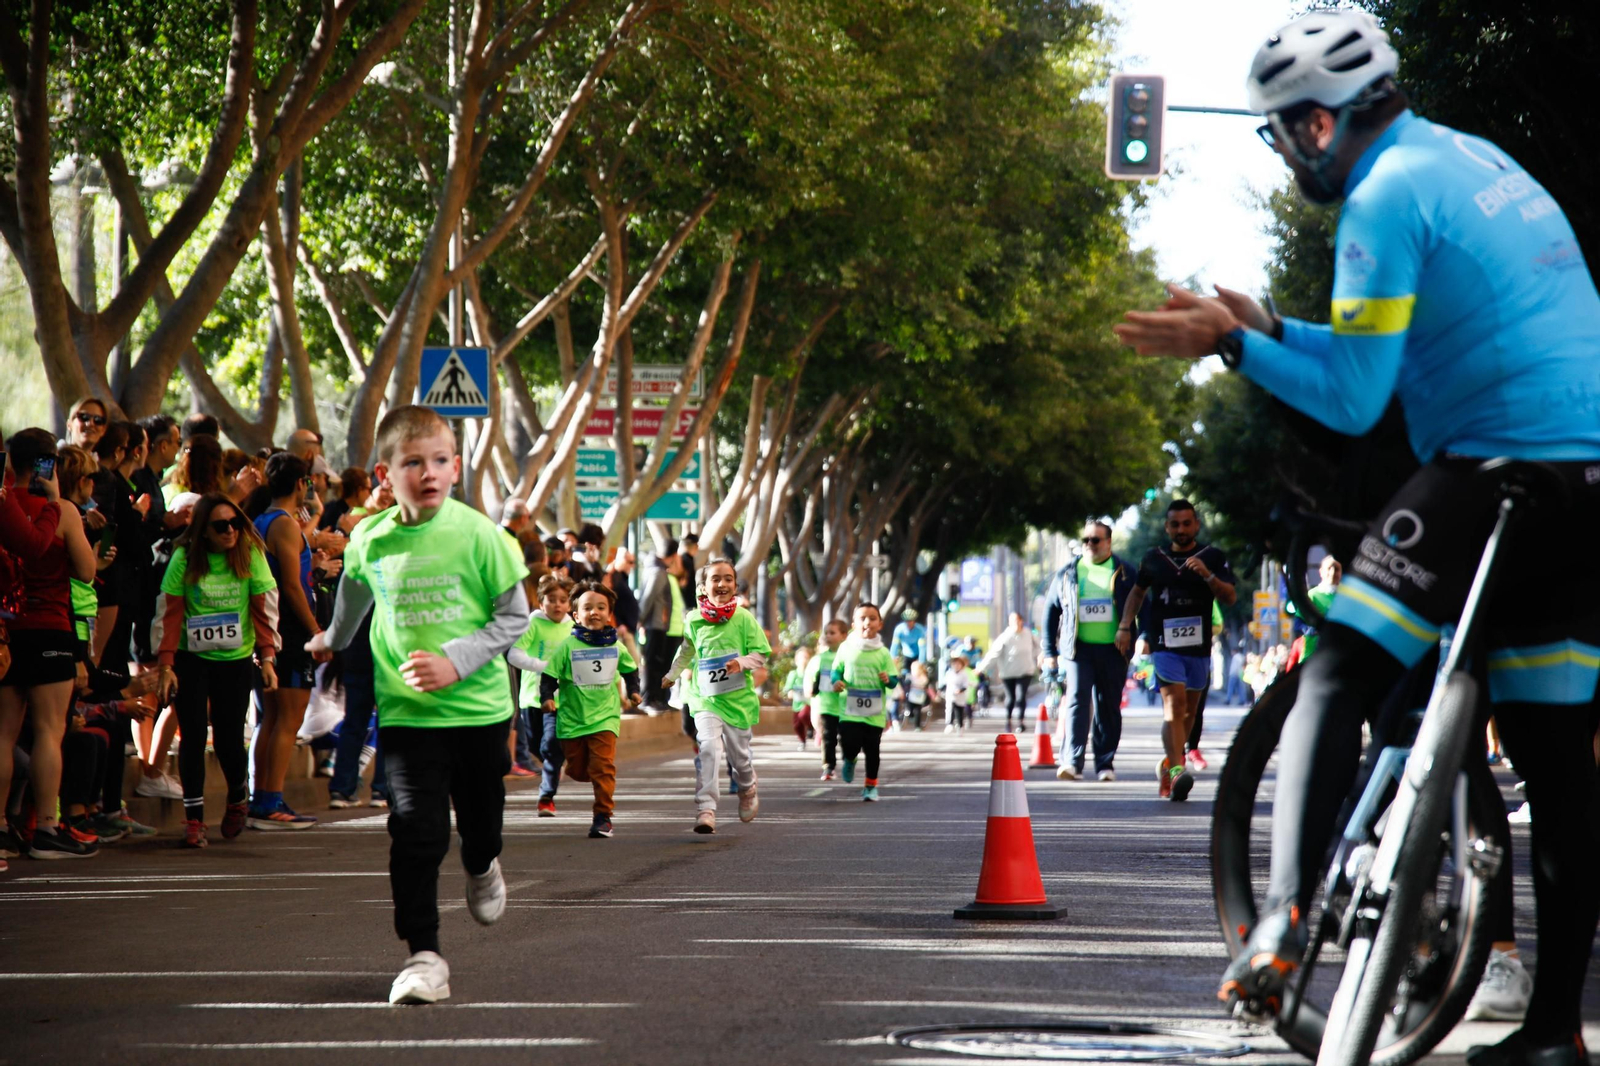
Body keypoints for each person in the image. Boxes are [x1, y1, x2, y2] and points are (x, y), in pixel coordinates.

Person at [1113, 12, 1600, 1061]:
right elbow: (1384, 336)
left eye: (1279, 132)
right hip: (1586, 487)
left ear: (1321, 122)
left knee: (1334, 669)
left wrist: (1234, 347)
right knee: (1559, 774)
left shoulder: (1380, 197)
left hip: (1489, 471)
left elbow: (1350, 399)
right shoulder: (1467, 157)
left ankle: (1282, 926)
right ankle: (1555, 1031)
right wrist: (1278, 324)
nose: (1282, 152)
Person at [308, 404, 530, 1006]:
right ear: (387, 473)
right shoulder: (370, 540)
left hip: (480, 716)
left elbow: (515, 618)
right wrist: (335, 637)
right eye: (413, 463)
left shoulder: (483, 536)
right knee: (414, 832)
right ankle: (425, 957)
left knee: (480, 826)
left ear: (455, 467)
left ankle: (483, 865)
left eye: (439, 461)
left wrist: (456, 659)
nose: (428, 473)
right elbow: (355, 592)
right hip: (406, 714)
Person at [154, 494, 280, 848]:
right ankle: (194, 820)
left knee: (227, 740)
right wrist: (166, 665)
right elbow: (171, 612)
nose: (230, 531)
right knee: (192, 737)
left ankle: (239, 793)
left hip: (235, 660)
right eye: (221, 526)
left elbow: (263, 608)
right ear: (203, 531)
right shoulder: (184, 557)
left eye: (235, 524)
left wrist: (267, 657)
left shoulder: (250, 554)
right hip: (191, 660)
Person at [0, 429, 98, 858]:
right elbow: (86, 572)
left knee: (2, 735)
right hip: (50, 628)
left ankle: (2, 826)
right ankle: (48, 827)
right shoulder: (63, 512)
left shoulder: (5, 503)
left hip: (7, 631)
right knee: (47, 732)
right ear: (49, 466)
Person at [1115, 501, 1236, 801]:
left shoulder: (1213, 557)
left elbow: (1230, 597)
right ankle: (1178, 770)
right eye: (1175, 524)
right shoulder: (1153, 558)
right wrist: (1125, 625)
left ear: (1196, 524)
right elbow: (1137, 592)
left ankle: (1171, 762)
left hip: (1199, 647)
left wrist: (1208, 575)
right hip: (1165, 644)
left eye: (1186, 523)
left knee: (1189, 711)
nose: (1181, 529)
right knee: (1174, 706)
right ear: (1167, 527)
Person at [663, 558, 769, 834]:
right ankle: (706, 808)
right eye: (715, 579)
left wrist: (741, 663)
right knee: (708, 748)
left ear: (735, 586)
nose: (722, 584)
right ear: (703, 587)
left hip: (737, 700)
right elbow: (687, 650)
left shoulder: (743, 618)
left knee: (740, 758)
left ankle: (747, 787)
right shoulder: (694, 619)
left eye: (728, 579)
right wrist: (672, 674)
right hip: (704, 698)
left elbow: (761, 653)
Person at [249, 452, 324, 830]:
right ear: (301, 484)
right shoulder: (283, 525)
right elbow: (292, 585)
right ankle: (269, 800)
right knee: (287, 718)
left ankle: (261, 797)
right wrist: (316, 631)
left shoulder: (266, 520)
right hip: (290, 632)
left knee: (272, 717)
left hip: (271, 630)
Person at [539, 580, 641, 839]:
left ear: (609, 613)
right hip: (572, 719)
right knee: (577, 769)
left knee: (603, 767)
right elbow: (549, 676)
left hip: (605, 718)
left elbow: (630, 669)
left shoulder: (616, 646)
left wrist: (633, 691)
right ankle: (580, 772)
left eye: (600, 607)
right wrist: (547, 698)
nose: (594, 612)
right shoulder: (567, 646)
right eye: (587, 608)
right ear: (576, 615)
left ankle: (603, 817)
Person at [1043, 520, 1136, 782]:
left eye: (1096, 540)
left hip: (1114, 651)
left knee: (1108, 706)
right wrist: (1049, 650)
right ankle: (1071, 762)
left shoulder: (1125, 572)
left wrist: (1144, 636)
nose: (1090, 545)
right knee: (1076, 701)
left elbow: (1142, 604)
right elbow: (1051, 611)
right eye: (1086, 540)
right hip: (1078, 650)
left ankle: (1105, 764)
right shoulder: (1068, 573)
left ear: (1108, 542)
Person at [506, 573, 574, 815]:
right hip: (531, 697)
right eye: (552, 599)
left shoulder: (573, 628)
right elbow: (514, 655)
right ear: (540, 601)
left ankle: (546, 797)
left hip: (559, 698)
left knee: (551, 745)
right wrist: (543, 666)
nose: (557, 605)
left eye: (563, 600)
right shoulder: (533, 623)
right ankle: (555, 763)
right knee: (538, 746)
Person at [830, 602, 895, 802]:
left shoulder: (883, 653)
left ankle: (870, 786)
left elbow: (894, 679)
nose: (867, 622)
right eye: (862, 618)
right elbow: (836, 670)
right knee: (849, 743)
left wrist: (888, 679)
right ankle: (849, 758)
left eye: (872, 618)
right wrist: (836, 681)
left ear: (880, 624)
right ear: (853, 624)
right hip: (849, 709)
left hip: (874, 713)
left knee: (872, 750)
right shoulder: (846, 647)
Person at [638, 540, 685, 709]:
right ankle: (649, 699)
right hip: (655, 625)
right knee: (653, 664)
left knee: (660, 664)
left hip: (660, 625)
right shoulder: (658, 572)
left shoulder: (659, 571)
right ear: (673, 556)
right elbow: (648, 598)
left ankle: (659, 699)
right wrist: (640, 619)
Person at [978, 613, 1042, 733]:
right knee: (1011, 698)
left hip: (1026, 670)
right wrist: (981, 668)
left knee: (1021, 696)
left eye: (1017, 621)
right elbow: (993, 654)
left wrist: (1039, 657)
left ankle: (1021, 722)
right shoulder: (1005, 636)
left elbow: (1039, 647)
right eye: (1012, 621)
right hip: (1008, 672)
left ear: (1021, 621)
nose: (1016, 624)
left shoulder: (1028, 634)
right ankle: (1008, 720)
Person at [806, 618, 848, 780]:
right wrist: (810, 688)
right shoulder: (820, 658)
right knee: (828, 737)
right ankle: (828, 767)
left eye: (833, 633)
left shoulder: (848, 656)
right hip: (826, 705)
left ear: (844, 635)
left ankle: (847, 761)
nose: (828, 636)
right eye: (827, 633)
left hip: (845, 706)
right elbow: (811, 677)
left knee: (847, 738)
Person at [786, 647, 813, 750]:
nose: (803, 660)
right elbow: (788, 689)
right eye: (801, 658)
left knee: (804, 715)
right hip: (797, 703)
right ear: (796, 661)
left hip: (808, 703)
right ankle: (802, 741)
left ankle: (811, 727)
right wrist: (791, 693)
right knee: (797, 725)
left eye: (806, 657)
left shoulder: (811, 672)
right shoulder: (793, 674)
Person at [941, 653, 976, 734]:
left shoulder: (964, 674)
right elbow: (945, 683)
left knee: (959, 711)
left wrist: (961, 690)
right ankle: (949, 724)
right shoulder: (949, 673)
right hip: (950, 695)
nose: (956, 666)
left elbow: (966, 684)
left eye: (958, 664)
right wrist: (941, 689)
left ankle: (960, 726)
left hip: (960, 696)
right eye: (954, 664)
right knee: (950, 709)